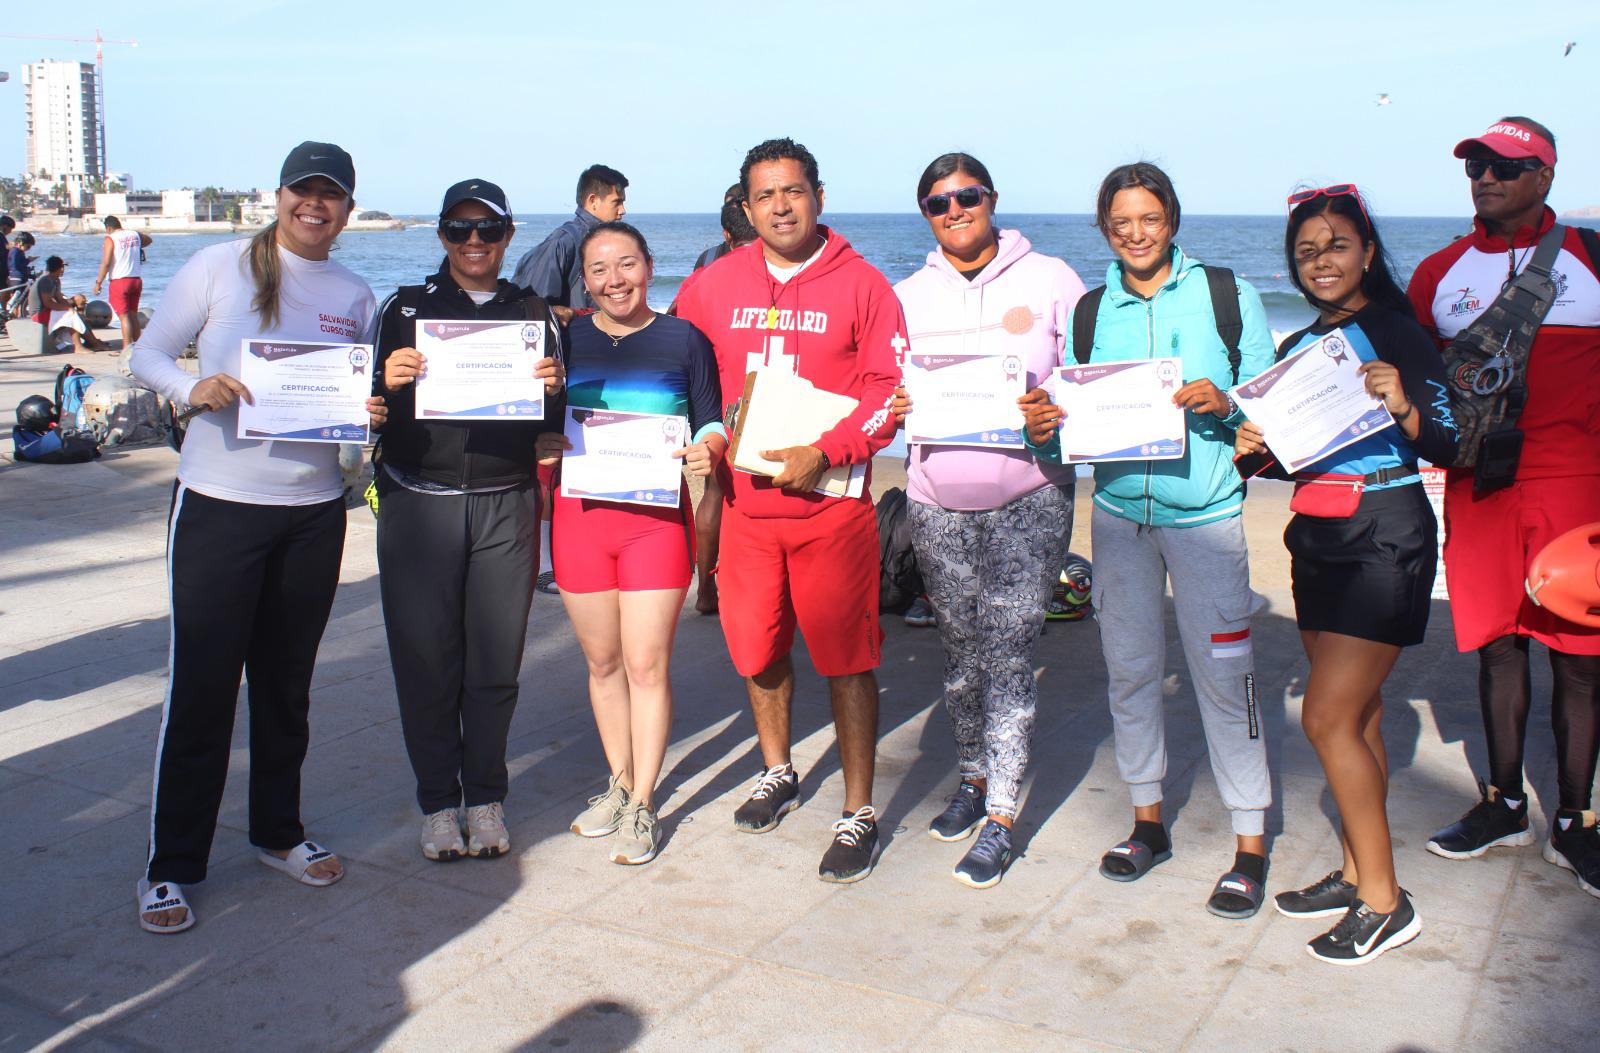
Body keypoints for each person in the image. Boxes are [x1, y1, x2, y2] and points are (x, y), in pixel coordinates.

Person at [127, 142, 385, 934]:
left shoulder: (355, 290)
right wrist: (189, 386)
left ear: (347, 207)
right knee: (202, 688)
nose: (316, 206)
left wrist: (369, 411)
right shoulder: (218, 264)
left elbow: (358, 391)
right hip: (218, 504)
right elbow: (145, 353)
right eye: (303, 192)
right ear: (278, 197)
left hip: (312, 514)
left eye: (331, 195)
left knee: (285, 687)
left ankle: (279, 832)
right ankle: (170, 866)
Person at [1021, 162, 1276, 917]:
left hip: (1207, 519)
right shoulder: (1094, 311)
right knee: (1129, 674)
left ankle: (1250, 842)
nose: (1136, 233)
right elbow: (1071, 432)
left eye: (1150, 218)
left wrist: (1225, 404)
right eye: (1121, 221)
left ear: (1173, 219)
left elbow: (1270, 409)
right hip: (1121, 518)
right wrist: (1043, 430)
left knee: (1227, 679)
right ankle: (1147, 823)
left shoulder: (1229, 295)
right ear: (1106, 227)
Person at [674, 137, 904, 883]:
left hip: (829, 512)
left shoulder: (865, 284)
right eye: (765, 195)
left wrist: (830, 450)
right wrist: (698, 436)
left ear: (819, 196)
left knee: (848, 659)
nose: (780, 205)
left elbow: (887, 396)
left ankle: (860, 807)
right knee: (758, 650)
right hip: (744, 512)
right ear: (746, 207)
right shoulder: (714, 284)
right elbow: (681, 370)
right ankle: (778, 770)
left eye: (793, 191)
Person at [1237, 184, 1457, 963]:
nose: (1320, 261)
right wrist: (1248, 447)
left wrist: (1404, 404)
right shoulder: (1302, 348)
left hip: (1385, 536)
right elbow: (1286, 457)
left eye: (1334, 245)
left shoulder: (1399, 331)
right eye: (1305, 251)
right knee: (1358, 718)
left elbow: (1454, 441)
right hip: (1318, 537)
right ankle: (1360, 869)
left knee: (1327, 717)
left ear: (1366, 250)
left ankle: (1386, 902)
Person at [1409, 117, 1600, 900]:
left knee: (1582, 658)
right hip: (1481, 488)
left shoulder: (1592, 258)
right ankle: (1504, 803)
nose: (1486, 177)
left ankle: (1577, 820)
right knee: (1496, 648)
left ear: (1545, 176)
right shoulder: (1439, 271)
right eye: (1477, 165)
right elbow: (1412, 382)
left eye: (1506, 166)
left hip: (1577, 487)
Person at [888, 152, 1085, 888]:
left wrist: (1053, 400)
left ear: (992, 198)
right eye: (938, 202)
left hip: (1028, 494)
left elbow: (1087, 370)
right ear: (927, 214)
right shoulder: (906, 295)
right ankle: (972, 776)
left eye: (966, 196)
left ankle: (1002, 812)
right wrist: (895, 409)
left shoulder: (1054, 278)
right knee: (961, 653)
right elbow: (885, 393)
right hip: (937, 500)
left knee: (1007, 652)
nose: (955, 210)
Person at [371, 179, 566, 863]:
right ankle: (436, 803)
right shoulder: (404, 308)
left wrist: (552, 393)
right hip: (417, 500)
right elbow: (360, 407)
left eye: (488, 230)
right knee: (425, 663)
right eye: (460, 228)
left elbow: (552, 428)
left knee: (494, 662)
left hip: (505, 501)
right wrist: (386, 384)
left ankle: (484, 796)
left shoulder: (534, 312)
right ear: (442, 235)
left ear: (509, 235)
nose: (475, 241)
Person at [538, 221, 726, 866]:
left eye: (626, 264)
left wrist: (708, 447)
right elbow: (535, 415)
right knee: (602, 665)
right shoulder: (564, 342)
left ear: (649, 266)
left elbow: (710, 417)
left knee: (646, 666)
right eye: (598, 269)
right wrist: (540, 440)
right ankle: (618, 783)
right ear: (584, 279)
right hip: (579, 518)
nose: (614, 280)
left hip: (654, 523)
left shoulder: (684, 339)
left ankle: (645, 802)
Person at [673, 190, 759, 614]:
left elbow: (674, 322)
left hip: (715, 392)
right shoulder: (774, 271)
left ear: (727, 234)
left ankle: (706, 592)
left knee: (713, 490)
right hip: (767, 390)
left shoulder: (707, 273)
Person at [510, 164, 628, 322]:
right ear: (593, 201)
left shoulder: (604, 241)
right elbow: (535, 310)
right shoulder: (563, 243)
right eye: (617, 202)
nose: (623, 210)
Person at [25, 256, 114, 353]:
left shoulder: (55, 280)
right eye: (62, 267)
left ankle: (93, 342)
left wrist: (71, 307)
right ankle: (79, 347)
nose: (63, 270)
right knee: (70, 315)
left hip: (48, 311)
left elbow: (59, 299)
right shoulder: (45, 280)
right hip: (39, 314)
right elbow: (48, 303)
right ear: (59, 268)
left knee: (77, 315)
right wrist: (67, 309)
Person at [94, 215, 154, 345]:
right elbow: (149, 240)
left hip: (119, 281)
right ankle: (139, 346)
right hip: (136, 281)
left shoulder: (111, 238)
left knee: (124, 316)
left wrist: (98, 282)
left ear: (109, 227)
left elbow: (106, 262)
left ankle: (126, 348)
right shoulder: (134, 235)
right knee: (133, 315)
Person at [692, 184, 746, 271]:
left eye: (741, 210)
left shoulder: (769, 257)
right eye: (729, 210)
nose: (735, 215)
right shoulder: (708, 260)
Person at [5, 231, 36, 318]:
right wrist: (28, 260)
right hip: (16, 278)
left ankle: (16, 315)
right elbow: (14, 265)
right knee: (18, 295)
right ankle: (9, 307)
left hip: (20, 277)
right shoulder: (15, 251)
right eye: (28, 246)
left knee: (21, 298)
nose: (28, 248)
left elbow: (19, 264)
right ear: (21, 243)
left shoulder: (19, 251)